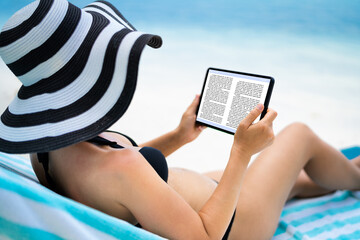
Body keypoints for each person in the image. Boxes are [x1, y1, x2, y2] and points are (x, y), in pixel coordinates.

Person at [0, 1, 359, 239]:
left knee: (292, 180)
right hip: (236, 224)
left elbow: (119, 174)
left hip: (187, 197)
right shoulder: (120, 168)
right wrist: (241, 151)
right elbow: (204, 237)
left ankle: (327, 179)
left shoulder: (47, 148)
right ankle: (356, 178)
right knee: (298, 136)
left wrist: (179, 136)